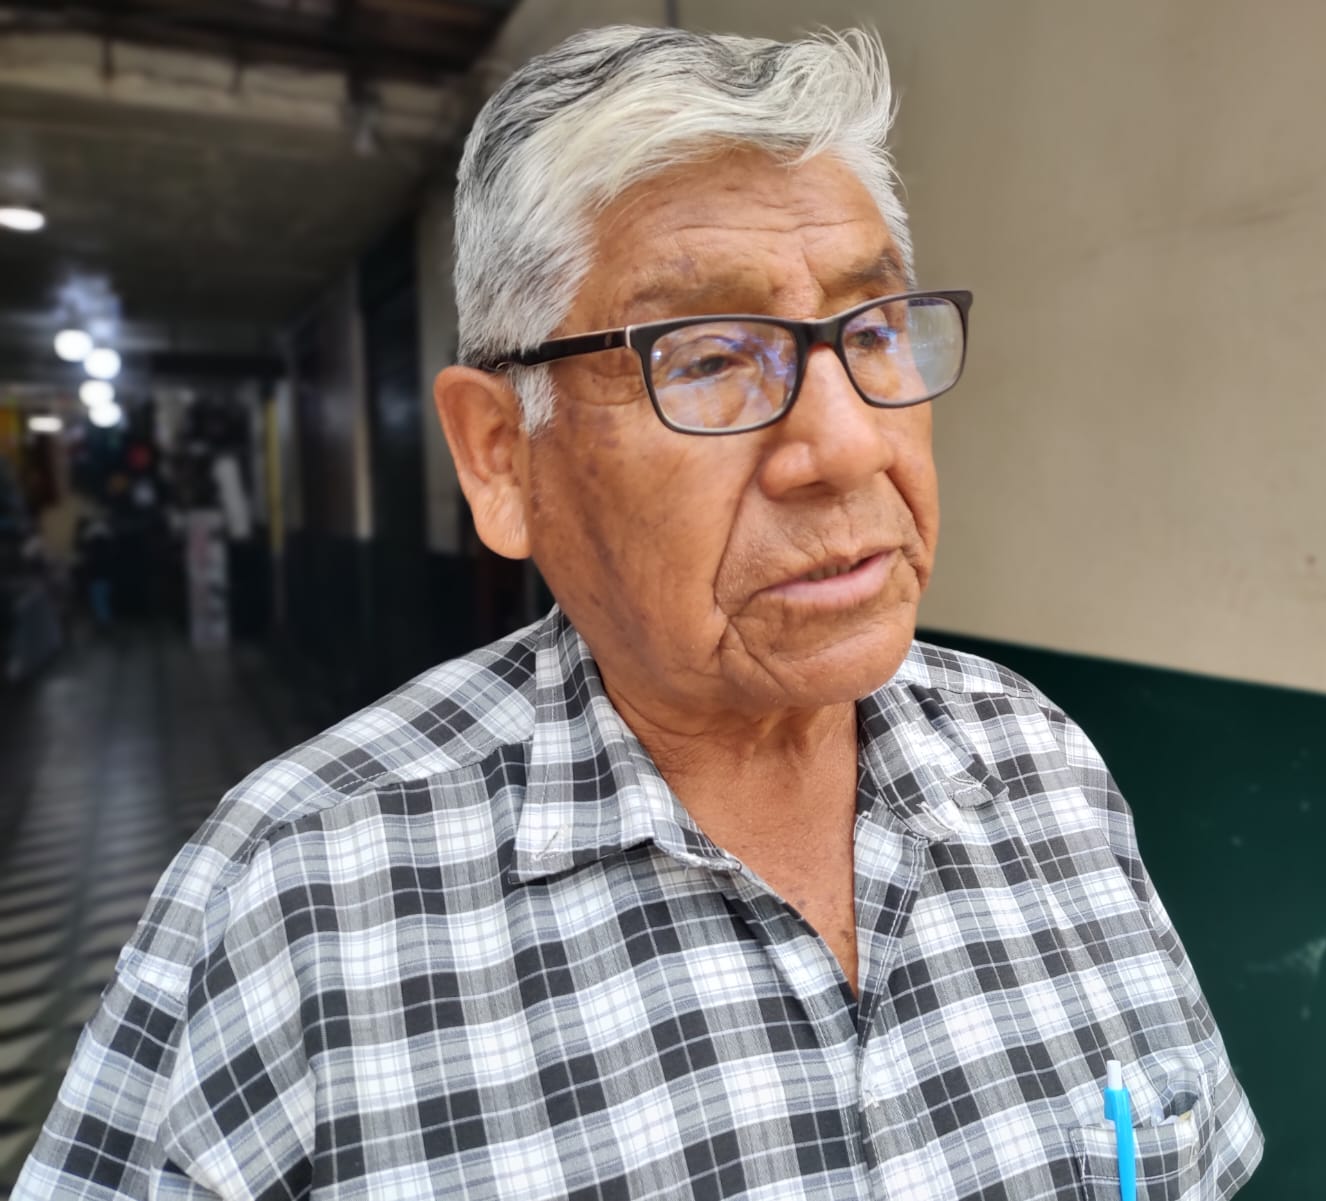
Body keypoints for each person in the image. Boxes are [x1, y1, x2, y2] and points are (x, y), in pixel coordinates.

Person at [18, 26, 1262, 1200]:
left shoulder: (1038, 768)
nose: (845, 444)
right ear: (502, 456)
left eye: (875, 330)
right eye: (709, 357)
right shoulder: (300, 897)